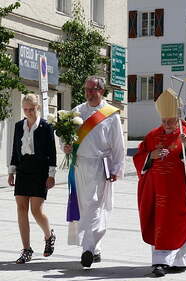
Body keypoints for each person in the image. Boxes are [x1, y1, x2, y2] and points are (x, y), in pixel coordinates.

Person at [133, 88, 186, 277]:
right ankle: (160, 262)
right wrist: (150, 156)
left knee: (179, 223)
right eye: (163, 121)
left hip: (180, 191)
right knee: (159, 223)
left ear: (178, 118)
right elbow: (140, 157)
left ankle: (180, 261)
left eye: (170, 121)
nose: (166, 124)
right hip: (157, 190)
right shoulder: (152, 135)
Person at [63, 76, 125, 268]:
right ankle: (95, 248)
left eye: (92, 89)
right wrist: (65, 146)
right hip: (80, 165)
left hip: (101, 165)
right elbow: (67, 137)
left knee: (97, 207)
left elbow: (118, 146)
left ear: (101, 91)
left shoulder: (111, 115)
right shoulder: (77, 112)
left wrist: (116, 168)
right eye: (86, 89)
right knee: (83, 207)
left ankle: (87, 249)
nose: (89, 93)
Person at [8, 94, 57, 264]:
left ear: (38, 108)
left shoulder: (46, 126)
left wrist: (51, 175)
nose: (28, 112)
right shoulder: (18, 126)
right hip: (23, 170)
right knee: (21, 208)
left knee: (36, 210)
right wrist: (11, 171)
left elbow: (52, 152)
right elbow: (15, 150)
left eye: (31, 109)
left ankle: (49, 236)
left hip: (39, 171)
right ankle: (26, 249)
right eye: (25, 109)